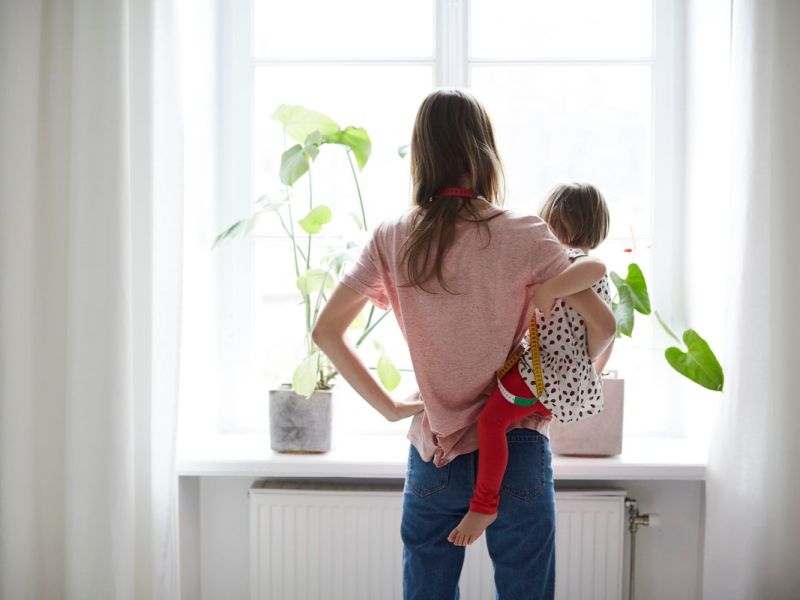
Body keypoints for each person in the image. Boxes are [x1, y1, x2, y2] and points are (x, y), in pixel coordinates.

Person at [313, 89, 616, 600]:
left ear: (423, 156)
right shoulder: (526, 232)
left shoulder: (392, 236)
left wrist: (389, 407)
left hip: (435, 449)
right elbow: (602, 323)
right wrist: (566, 380)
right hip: (518, 443)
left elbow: (326, 332)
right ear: (485, 153)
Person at [448, 182, 616, 547]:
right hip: (550, 382)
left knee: (491, 422)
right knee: (499, 416)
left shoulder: (568, 263)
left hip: (541, 375)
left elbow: (597, 269)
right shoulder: (570, 270)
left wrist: (550, 290)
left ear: (555, 222)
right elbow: (604, 336)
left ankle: (484, 503)